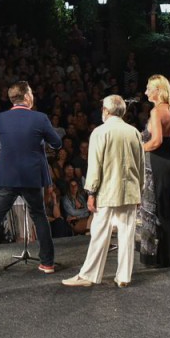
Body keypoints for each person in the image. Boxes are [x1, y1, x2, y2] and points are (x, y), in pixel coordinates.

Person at [0, 81, 62, 277]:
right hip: (32, 177)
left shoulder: (0, 118)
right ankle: (47, 263)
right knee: (39, 216)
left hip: (7, 176)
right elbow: (57, 142)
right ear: (27, 96)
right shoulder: (40, 118)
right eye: (31, 93)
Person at [62, 95, 144, 288]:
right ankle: (123, 277)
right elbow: (141, 166)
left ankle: (89, 275)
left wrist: (91, 193)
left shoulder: (100, 132)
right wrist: (139, 191)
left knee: (99, 233)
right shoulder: (134, 132)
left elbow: (94, 166)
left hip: (107, 191)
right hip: (130, 190)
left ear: (106, 111)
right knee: (127, 234)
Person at [139, 75, 170, 267]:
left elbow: (156, 141)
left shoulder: (156, 111)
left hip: (158, 163)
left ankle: (159, 256)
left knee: (156, 207)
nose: (146, 92)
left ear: (158, 90)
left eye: (148, 88)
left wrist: (139, 148)